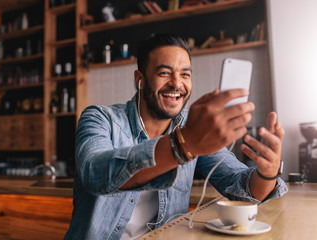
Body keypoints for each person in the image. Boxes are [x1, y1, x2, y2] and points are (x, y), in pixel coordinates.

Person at [64, 33, 287, 240]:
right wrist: (182, 145)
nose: (177, 84)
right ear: (139, 79)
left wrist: (268, 172)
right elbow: (95, 173)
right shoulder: (100, 118)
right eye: (164, 73)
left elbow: (243, 190)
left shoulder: (192, 127)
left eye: (185, 74)